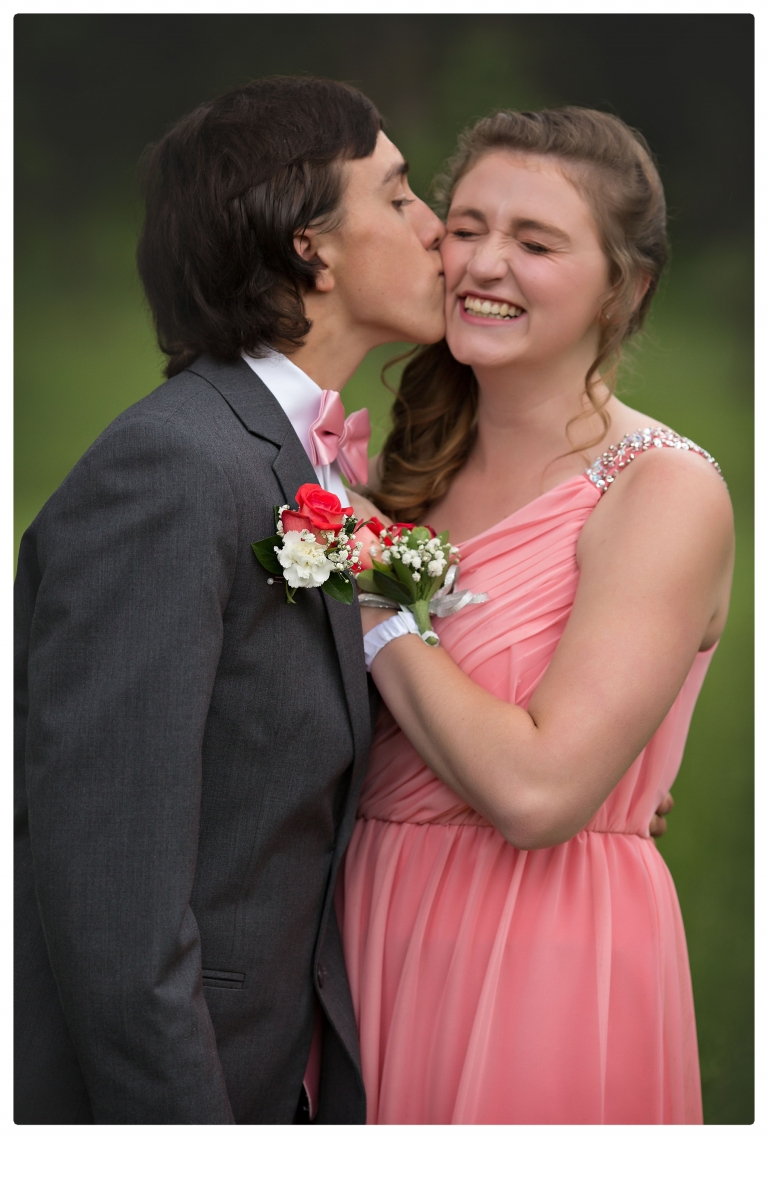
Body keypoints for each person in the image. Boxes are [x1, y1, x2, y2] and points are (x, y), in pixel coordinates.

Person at [14, 76, 446, 1124]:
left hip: (290, 1064)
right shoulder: (171, 471)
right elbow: (115, 898)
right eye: (398, 197)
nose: (437, 227)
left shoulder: (304, 462)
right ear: (311, 247)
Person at [338, 107, 734, 1123]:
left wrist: (372, 588)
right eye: (468, 227)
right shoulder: (400, 474)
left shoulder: (660, 490)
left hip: (539, 954)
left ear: (625, 287)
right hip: (361, 930)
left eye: (537, 242)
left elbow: (539, 792)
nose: (485, 263)